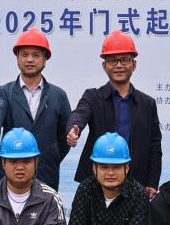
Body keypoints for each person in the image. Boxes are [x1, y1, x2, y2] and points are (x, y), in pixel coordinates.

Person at [65, 31, 162, 194]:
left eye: (125, 60)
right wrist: (74, 129)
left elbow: (154, 146)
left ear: (134, 65)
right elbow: (79, 114)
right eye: (112, 60)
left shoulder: (147, 104)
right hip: (97, 182)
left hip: (136, 183)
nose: (119, 65)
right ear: (104, 66)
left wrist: (152, 182)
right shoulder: (93, 97)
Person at [0, 28, 72, 190]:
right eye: (24, 55)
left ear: (45, 59)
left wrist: (50, 159)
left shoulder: (58, 96)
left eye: (36, 55)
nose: (29, 59)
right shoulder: (3, 92)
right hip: (7, 178)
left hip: (46, 177)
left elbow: (64, 138)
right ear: (17, 58)